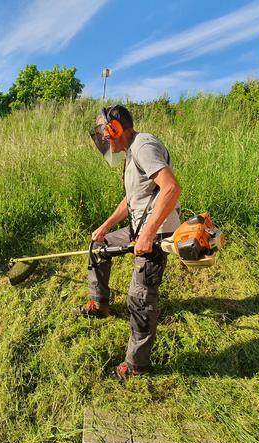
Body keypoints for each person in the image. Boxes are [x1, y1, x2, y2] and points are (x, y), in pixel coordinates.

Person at [77, 105, 182, 380]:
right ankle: (99, 304)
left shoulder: (144, 146)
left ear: (115, 129)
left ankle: (137, 366)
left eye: (104, 132)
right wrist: (106, 226)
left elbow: (171, 188)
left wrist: (147, 235)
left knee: (139, 298)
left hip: (156, 233)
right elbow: (132, 200)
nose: (102, 139)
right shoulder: (130, 153)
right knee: (99, 247)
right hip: (138, 228)